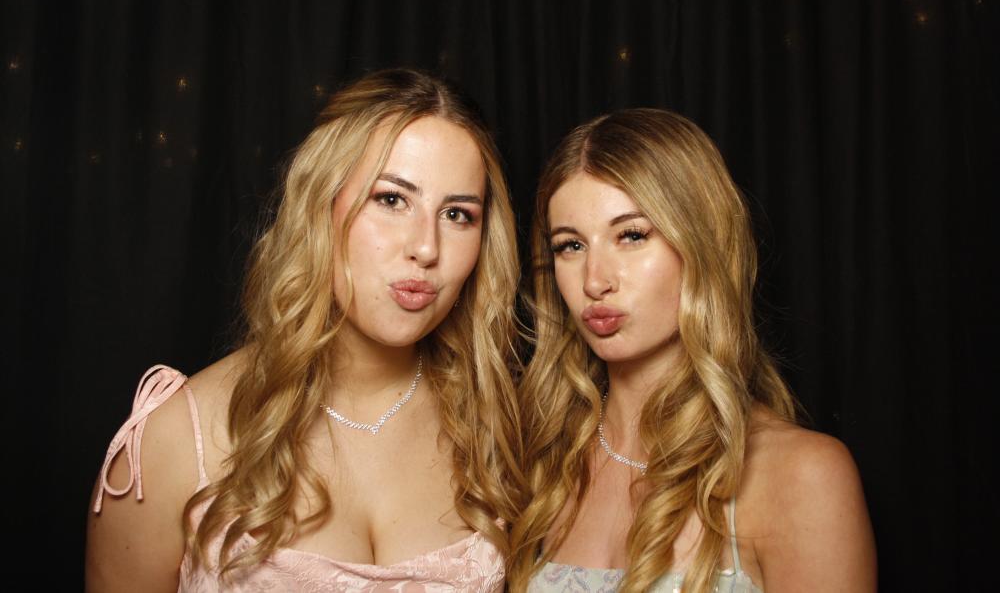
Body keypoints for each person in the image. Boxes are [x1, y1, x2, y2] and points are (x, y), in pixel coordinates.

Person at [87, 68, 524, 592]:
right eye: (391, 199)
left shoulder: (497, 423)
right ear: (321, 203)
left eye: (457, 214)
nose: (426, 248)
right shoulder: (176, 437)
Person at [509, 109, 876, 592]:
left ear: (702, 244)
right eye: (570, 246)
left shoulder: (799, 476)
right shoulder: (537, 460)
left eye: (632, 236)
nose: (595, 280)